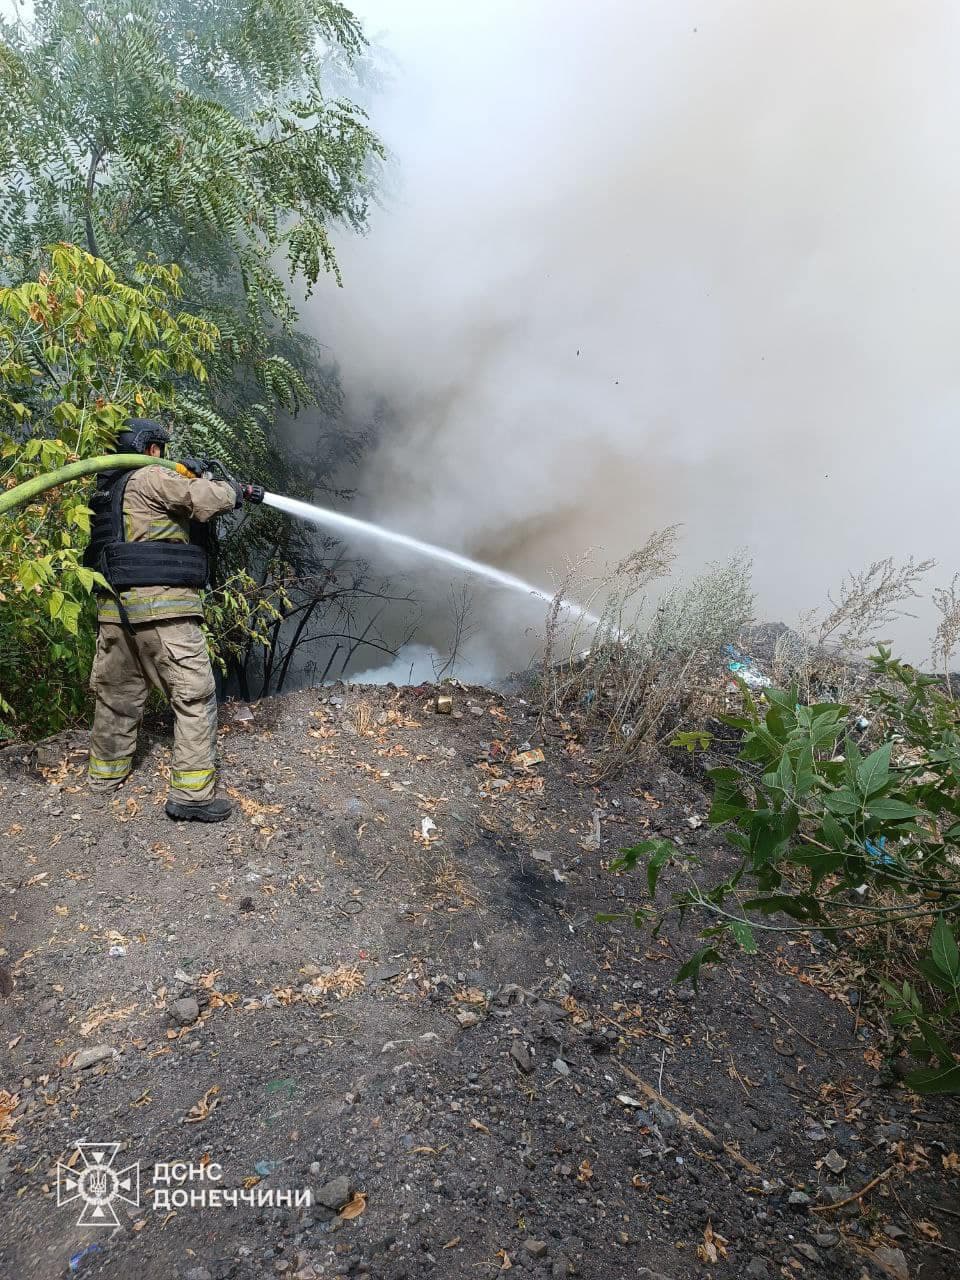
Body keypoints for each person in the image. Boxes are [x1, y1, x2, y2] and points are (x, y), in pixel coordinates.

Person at [84, 420, 241, 821]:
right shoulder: (151, 476)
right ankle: (192, 796)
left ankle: (105, 777)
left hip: (115, 611)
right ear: (151, 449)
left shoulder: (104, 493)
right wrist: (234, 490)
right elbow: (204, 500)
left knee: (116, 697)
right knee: (194, 696)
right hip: (163, 609)